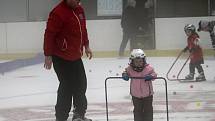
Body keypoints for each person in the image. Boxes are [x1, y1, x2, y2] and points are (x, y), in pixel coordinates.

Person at [43, 0, 93, 121]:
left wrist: (86, 45)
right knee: (67, 86)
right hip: (61, 57)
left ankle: (79, 114)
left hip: (75, 55)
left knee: (81, 84)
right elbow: (49, 34)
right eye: (74, 0)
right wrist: (48, 55)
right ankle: (61, 117)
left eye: (78, 0)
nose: (77, 2)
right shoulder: (58, 13)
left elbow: (83, 29)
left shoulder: (79, 10)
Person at [122, 49, 157, 121]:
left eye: (140, 61)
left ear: (144, 60)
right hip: (135, 95)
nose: (138, 63)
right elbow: (125, 72)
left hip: (147, 95)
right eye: (136, 62)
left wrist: (151, 76)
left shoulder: (148, 68)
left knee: (148, 110)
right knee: (137, 110)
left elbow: (154, 75)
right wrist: (124, 75)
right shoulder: (130, 69)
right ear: (132, 61)